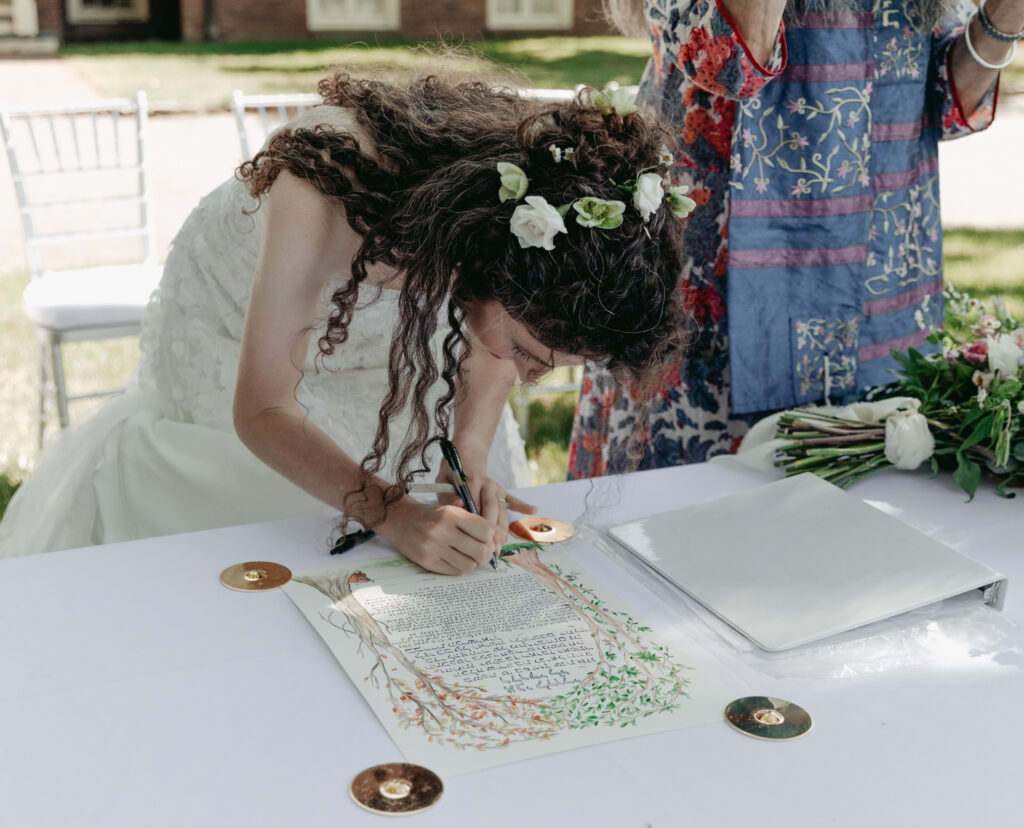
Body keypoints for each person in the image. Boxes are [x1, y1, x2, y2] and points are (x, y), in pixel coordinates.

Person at [0, 73, 691, 574]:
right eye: (532, 354)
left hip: (383, 331)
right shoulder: (322, 194)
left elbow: (496, 342)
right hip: (233, 324)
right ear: (498, 273)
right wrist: (395, 514)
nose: (532, 378)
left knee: (435, 459)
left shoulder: (516, 239)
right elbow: (264, 409)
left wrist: (471, 450)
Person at [570, 0, 1021, 476]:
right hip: (718, 267)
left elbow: (947, 103)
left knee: (870, 511)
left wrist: (1008, 11)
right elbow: (726, 63)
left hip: (882, 271)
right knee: (694, 512)